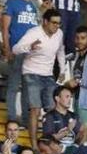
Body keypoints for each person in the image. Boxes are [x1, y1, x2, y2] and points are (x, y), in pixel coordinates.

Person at [12, 8, 66, 144]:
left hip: (48, 75)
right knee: (35, 109)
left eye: (59, 23)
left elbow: (60, 51)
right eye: (54, 23)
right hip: (31, 73)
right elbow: (15, 49)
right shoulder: (33, 32)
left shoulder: (59, 34)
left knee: (54, 109)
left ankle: (51, 142)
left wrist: (63, 70)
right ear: (45, 22)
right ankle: (34, 145)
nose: (56, 26)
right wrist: (29, 47)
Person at [2, 0, 39, 125]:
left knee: (27, 88)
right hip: (17, 49)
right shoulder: (12, 3)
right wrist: (7, 48)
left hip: (32, 52)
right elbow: (5, 28)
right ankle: (11, 116)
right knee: (13, 84)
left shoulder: (36, 5)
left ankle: (24, 119)